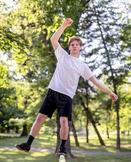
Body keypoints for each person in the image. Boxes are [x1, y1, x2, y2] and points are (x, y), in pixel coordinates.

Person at [16, 18, 118, 154]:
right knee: (40, 118)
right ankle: (27, 144)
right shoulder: (63, 56)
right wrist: (64, 26)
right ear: (69, 47)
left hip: (66, 96)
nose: (74, 46)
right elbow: (53, 39)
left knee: (64, 121)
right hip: (52, 92)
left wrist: (109, 92)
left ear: (80, 47)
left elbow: (96, 82)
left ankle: (62, 148)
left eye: (77, 44)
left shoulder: (83, 66)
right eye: (72, 44)